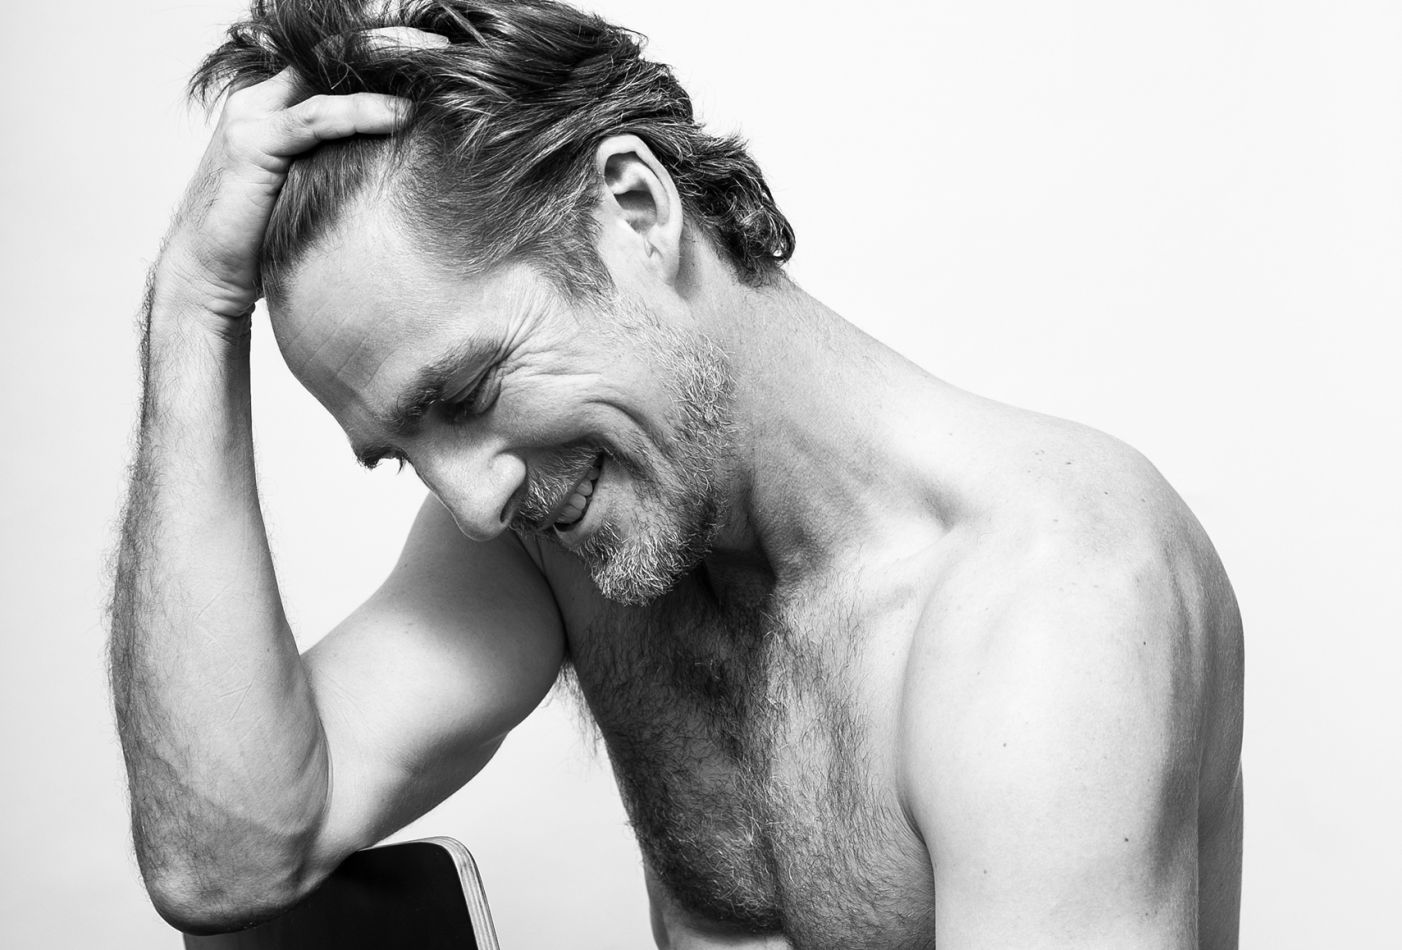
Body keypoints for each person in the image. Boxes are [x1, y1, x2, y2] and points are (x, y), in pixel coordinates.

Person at [108, 1, 1245, 946]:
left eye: (468, 391)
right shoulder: (561, 527)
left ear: (634, 208)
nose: (473, 502)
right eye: (403, 455)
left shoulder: (1051, 604)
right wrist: (192, 307)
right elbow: (227, 859)